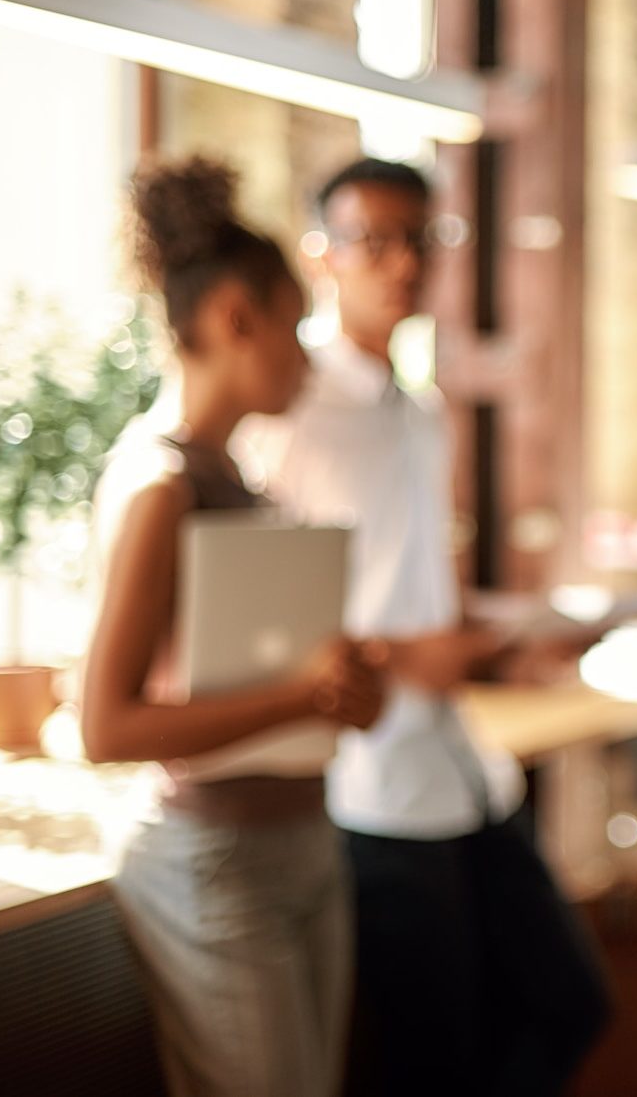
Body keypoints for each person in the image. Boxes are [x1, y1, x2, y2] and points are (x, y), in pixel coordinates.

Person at [237, 157, 612, 1096]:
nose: (401, 262)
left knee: (569, 1004)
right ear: (322, 256)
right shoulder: (287, 417)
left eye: (420, 240)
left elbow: (416, 595)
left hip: (460, 769)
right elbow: (268, 627)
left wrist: (516, 633)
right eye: (375, 241)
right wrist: (418, 657)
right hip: (371, 787)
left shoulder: (422, 412)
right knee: (430, 1057)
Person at [84, 156, 385, 1097]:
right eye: (295, 327)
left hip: (300, 840)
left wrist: (342, 690)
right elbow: (108, 727)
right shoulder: (161, 487)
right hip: (217, 862)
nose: (305, 354)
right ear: (234, 320)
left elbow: (261, 687)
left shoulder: (241, 484)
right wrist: (301, 694)